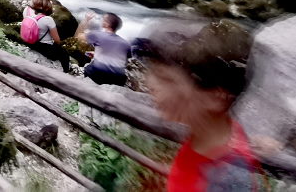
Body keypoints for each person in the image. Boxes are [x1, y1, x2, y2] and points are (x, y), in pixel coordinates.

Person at [141, 21, 265, 191]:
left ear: (215, 97)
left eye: (166, 79)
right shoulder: (207, 138)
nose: (149, 84)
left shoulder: (227, 178)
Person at [76, 11, 130, 86]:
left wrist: (86, 20)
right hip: (118, 79)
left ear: (107, 24)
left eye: (103, 19)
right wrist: (97, 55)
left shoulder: (97, 34)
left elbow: (78, 36)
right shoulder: (125, 43)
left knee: (85, 68)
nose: (101, 20)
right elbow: (124, 61)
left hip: (98, 74)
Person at [22, 0, 71, 73]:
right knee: (64, 54)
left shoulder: (26, 12)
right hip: (45, 48)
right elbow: (57, 40)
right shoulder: (48, 20)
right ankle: (66, 72)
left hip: (30, 43)